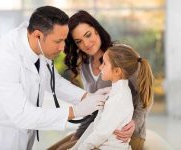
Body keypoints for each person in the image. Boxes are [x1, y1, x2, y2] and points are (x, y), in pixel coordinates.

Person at [0, 6, 106, 150]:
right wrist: (75, 111)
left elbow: (55, 83)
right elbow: (22, 115)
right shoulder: (4, 58)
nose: (63, 47)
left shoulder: (39, 47)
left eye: (64, 40)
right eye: (58, 41)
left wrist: (87, 96)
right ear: (37, 35)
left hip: (20, 133)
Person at [48, 10, 151, 150]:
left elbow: (145, 96)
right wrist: (79, 134)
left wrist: (134, 123)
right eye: (79, 41)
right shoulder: (84, 66)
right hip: (100, 129)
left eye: (88, 35)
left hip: (123, 135)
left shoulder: (120, 56)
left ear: (96, 30)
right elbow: (95, 108)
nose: (86, 44)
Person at [71, 44, 154, 150]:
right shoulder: (115, 91)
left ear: (117, 71)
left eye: (104, 64)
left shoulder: (118, 99)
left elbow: (101, 133)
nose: (100, 67)